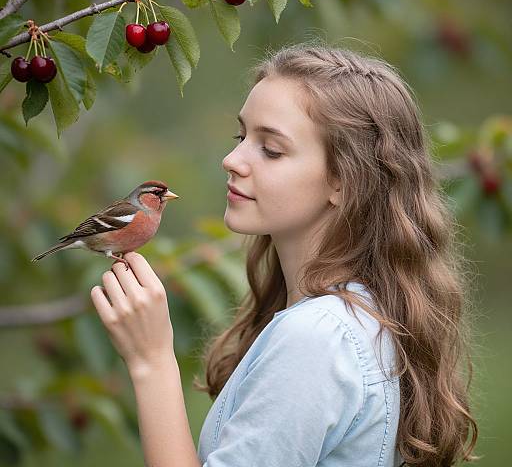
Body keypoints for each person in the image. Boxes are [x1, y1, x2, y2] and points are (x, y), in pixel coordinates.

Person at [91, 42, 480, 467]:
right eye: (240, 137)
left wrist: (152, 361)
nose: (231, 159)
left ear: (343, 183)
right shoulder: (356, 318)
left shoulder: (317, 340)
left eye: (271, 149)